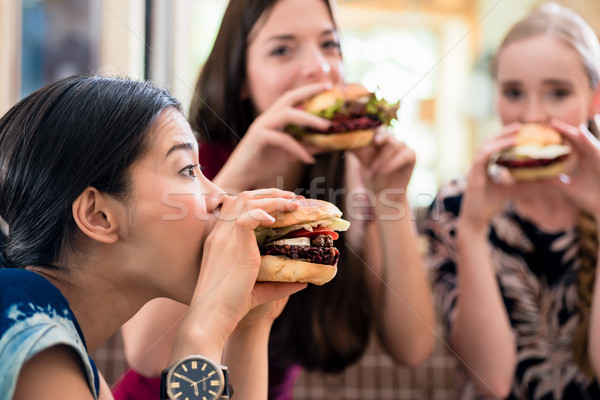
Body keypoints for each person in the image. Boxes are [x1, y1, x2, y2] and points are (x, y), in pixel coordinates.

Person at [117, 0, 435, 398]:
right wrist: (241, 173)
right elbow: (147, 353)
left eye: (330, 45)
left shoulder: (347, 178)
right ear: (242, 77)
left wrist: (394, 197)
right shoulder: (187, 166)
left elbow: (412, 346)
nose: (318, 68)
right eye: (283, 49)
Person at [0, 75, 307, 400]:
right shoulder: (34, 345)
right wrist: (204, 326)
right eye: (188, 170)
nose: (221, 196)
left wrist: (250, 325)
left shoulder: (70, 359)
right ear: (98, 216)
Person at [426, 3, 600, 399]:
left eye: (557, 92)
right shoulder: (455, 203)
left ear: (595, 99)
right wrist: (471, 230)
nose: (533, 114)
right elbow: (492, 381)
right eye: (513, 93)